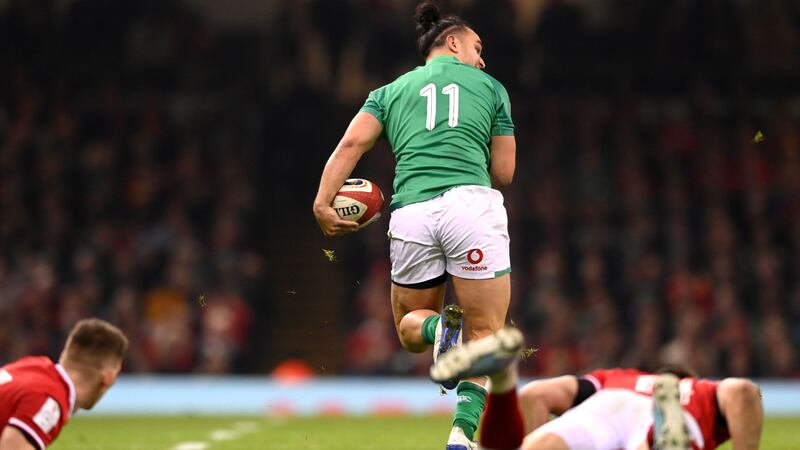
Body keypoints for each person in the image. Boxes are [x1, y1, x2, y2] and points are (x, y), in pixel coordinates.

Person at [313, 1, 516, 448]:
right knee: (486, 334)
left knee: (409, 330)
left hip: (412, 214)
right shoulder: (492, 88)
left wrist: (323, 203)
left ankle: (439, 331)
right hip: (471, 206)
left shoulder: (388, 92)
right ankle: (462, 433)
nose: (482, 60)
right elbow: (504, 172)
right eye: (477, 48)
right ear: (453, 43)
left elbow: (351, 145)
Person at [430, 327, 764, 450]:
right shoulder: (698, 391)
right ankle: (661, 438)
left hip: (606, 405)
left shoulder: (619, 376)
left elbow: (537, 395)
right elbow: (742, 391)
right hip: (674, 417)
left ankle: (503, 380)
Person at [0, 318, 129, 450]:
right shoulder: (50, 399)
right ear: (109, 377)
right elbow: (11, 446)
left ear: (64, 355)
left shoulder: (33, 366)